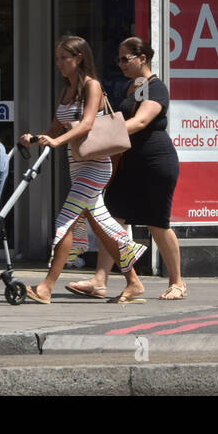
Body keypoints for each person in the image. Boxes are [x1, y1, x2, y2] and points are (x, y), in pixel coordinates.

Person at [19, 35, 147, 304]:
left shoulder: (93, 86)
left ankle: (46, 286)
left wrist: (56, 141)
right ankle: (133, 282)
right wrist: (35, 138)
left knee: (64, 220)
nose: (59, 64)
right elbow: (56, 127)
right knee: (101, 226)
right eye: (57, 59)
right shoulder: (66, 90)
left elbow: (87, 124)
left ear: (78, 58)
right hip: (77, 163)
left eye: (63, 58)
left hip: (96, 165)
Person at [69, 37, 187, 301]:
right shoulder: (132, 87)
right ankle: (99, 280)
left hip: (155, 161)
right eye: (118, 59)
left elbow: (141, 121)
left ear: (142, 58)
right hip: (128, 161)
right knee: (113, 219)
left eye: (126, 58)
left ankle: (177, 282)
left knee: (157, 223)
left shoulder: (156, 88)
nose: (120, 64)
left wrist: (96, 133)